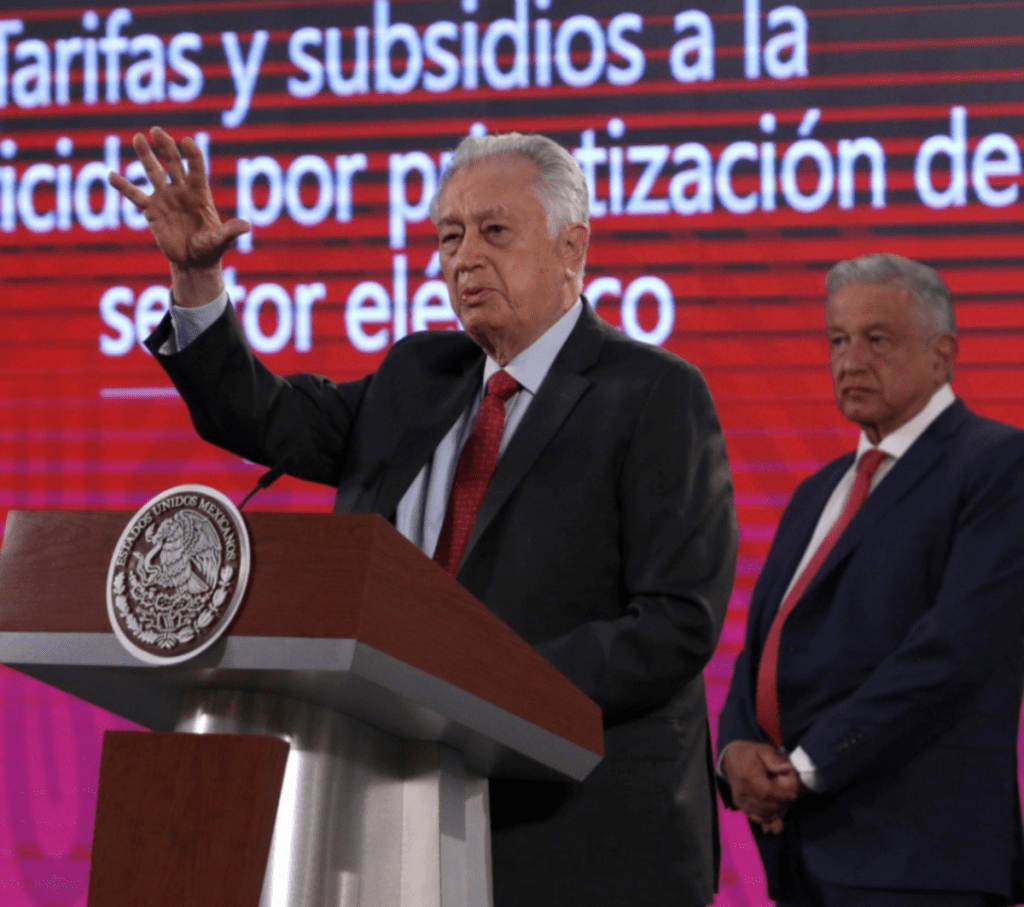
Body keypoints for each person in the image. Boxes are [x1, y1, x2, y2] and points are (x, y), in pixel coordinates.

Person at [109, 127, 738, 906]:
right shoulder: (419, 374)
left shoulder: (652, 394)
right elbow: (262, 415)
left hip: (578, 834)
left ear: (572, 247)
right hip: (388, 816)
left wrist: (478, 687)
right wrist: (196, 281)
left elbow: (676, 622)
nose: (464, 256)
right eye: (449, 235)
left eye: (494, 231)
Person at [717, 253, 1024, 906]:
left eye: (876, 338)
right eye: (838, 338)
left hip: (921, 860)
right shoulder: (814, 491)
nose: (850, 359)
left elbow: (954, 648)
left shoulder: (999, 465)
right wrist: (735, 749)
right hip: (803, 856)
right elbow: (764, 645)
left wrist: (802, 768)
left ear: (942, 353)